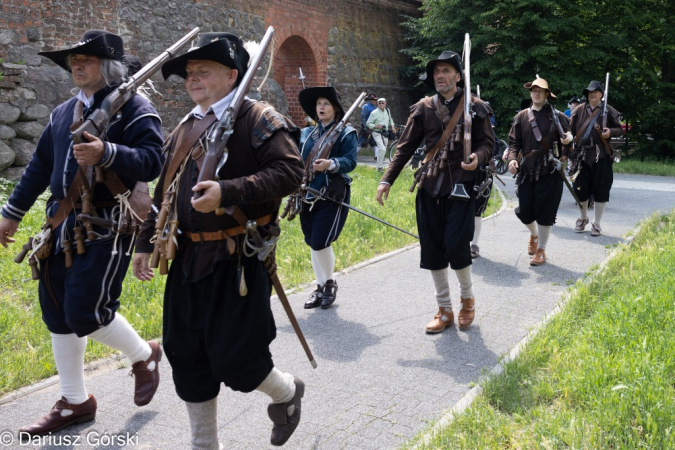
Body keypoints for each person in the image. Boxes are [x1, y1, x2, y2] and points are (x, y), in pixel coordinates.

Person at [132, 32, 305, 448]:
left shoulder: (258, 117)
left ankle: (286, 393)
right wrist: (142, 241)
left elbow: (291, 172)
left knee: (238, 360)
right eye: (189, 73)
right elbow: (164, 194)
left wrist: (228, 192)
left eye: (202, 71)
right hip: (188, 258)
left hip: (237, 259)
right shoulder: (186, 127)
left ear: (232, 75)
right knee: (185, 354)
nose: (193, 79)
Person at [0, 30, 164, 436]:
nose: (76, 64)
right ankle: (74, 401)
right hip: (60, 223)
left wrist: (107, 153)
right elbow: (39, 167)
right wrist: (12, 214)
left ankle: (144, 355)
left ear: (106, 66)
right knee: (56, 310)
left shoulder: (135, 109)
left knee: (85, 311)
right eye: (74, 59)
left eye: (85, 59)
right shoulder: (62, 113)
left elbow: (152, 162)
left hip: (109, 221)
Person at [376, 50, 494, 334]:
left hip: (463, 188)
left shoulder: (477, 107)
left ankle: (467, 300)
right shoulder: (424, 108)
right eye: (436, 72)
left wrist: (478, 157)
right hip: (429, 187)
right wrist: (386, 180)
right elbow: (404, 148)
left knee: (456, 245)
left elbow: (489, 145)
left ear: (457, 75)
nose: (439, 76)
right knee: (432, 249)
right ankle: (444, 309)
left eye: (445, 71)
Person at [297, 86, 358, 310]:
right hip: (307, 193)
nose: (321, 107)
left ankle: (330, 283)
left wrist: (331, 164)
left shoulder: (346, 133)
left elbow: (350, 162)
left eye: (326, 104)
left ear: (335, 109)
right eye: (319, 104)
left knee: (320, 241)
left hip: (332, 193)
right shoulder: (306, 134)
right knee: (312, 241)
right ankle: (320, 286)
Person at [507, 78, 572, 265]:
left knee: (545, 213)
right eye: (534, 90)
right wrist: (512, 159)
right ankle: (534, 235)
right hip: (526, 172)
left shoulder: (558, 116)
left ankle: (542, 249)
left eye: (540, 91)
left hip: (549, 172)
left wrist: (568, 140)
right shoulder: (521, 117)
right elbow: (513, 143)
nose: (536, 93)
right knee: (524, 212)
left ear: (546, 95)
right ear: (530, 93)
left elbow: (570, 137)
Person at [567, 80, 623, 236]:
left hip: (601, 155)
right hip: (581, 155)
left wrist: (610, 132)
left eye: (595, 92)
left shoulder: (609, 111)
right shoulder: (578, 111)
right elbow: (569, 134)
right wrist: (566, 152)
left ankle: (597, 223)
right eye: (589, 92)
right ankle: (583, 218)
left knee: (602, 189)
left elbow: (619, 129)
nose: (592, 94)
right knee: (580, 188)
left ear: (601, 94)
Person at [367, 97, 396, 172]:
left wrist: (392, 126)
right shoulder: (374, 113)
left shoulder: (387, 110)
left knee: (383, 149)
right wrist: (376, 126)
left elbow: (390, 119)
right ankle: (379, 167)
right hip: (376, 133)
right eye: (379, 103)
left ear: (385, 104)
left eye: (382, 103)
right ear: (377, 104)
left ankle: (379, 166)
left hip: (385, 133)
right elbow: (368, 123)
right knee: (382, 149)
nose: (381, 104)